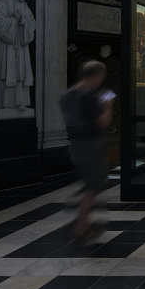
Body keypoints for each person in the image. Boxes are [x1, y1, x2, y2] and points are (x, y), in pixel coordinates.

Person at [60, 60, 113, 244]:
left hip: (75, 144)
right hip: (91, 144)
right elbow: (103, 122)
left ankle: (83, 223)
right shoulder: (88, 96)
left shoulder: (67, 95)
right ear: (96, 76)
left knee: (89, 184)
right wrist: (107, 105)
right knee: (93, 186)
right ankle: (81, 228)